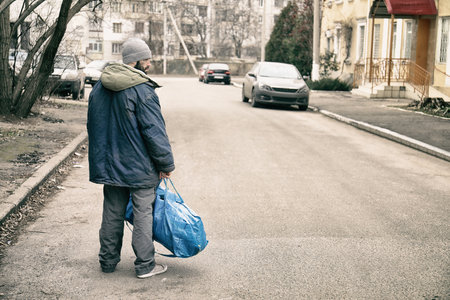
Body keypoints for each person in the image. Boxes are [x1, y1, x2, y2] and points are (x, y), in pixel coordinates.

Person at [87, 38, 175, 279]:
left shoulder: (99, 88)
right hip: (140, 167)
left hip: (110, 166)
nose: (149, 64)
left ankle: (107, 261)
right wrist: (166, 164)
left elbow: (94, 127)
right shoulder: (142, 90)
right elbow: (154, 132)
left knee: (112, 212)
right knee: (143, 213)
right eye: (146, 59)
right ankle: (145, 265)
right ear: (134, 61)